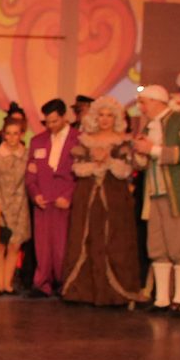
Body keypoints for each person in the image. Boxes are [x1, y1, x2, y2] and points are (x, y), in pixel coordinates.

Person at [131, 84, 180, 314]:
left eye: (144, 102)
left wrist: (153, 150)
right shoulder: (149, 126)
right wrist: (140, 153)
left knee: (179, 246)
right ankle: (162, 299)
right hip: (154, 194)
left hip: (178, 194)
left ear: (156, 101)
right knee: (158, 247)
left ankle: (178, 300)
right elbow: (145, 162)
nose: (141, 107)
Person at [60, 96, 142, 307]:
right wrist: (94, 163)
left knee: (114, 239)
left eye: (109, 115)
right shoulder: (85, 140)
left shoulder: (122, 141)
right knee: (86, 236)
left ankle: (114, 291)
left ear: (116, 118)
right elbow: (77, 167)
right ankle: (83, 291)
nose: (105, 119)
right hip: (87, 193)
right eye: (101, 115)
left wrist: (107, 161)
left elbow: (126, 170)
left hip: (114, 194)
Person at [25, 99, 78, 296]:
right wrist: (35, 194)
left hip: (65, 199)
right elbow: (30, 172)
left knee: (63, 245)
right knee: (43, 246)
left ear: (64, 117)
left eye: (55, 121)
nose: (50, 126)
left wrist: (69, 196)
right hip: (43, 199)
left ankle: (65, 282)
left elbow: (81, 174)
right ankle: (42, 283)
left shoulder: (79, 139)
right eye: (47, 122)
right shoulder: (37, 141)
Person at [0, 116, 30, 295]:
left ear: (21, 135)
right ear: (4, 135)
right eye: (8, 134)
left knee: (15, 245)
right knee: (0, 245)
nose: (12, 137)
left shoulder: (26, 155)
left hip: (19, 205)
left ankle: (7, 283)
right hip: (0, 205)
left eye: (15, 134)